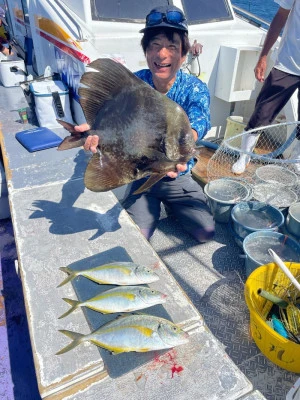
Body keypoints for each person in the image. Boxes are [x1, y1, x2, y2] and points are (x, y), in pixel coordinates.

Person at [76, 5, 215, 243]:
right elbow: (115, 124)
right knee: (138, 239)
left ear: (183, 54)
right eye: (155, 45)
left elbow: (200, 119)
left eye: (172, 46)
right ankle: (148, 203)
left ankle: (174, 205)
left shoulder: (195, 88)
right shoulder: (135, 83)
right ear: (146, 51)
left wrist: (184, 142)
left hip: (177, 177)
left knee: (206, 233)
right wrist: (96, 138)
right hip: (138, 173)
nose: (162, 54)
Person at [232, 0, 300, 175]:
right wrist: (264, 56)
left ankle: (297, 159)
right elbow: (280, 16)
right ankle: (244, 155)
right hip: (288, 63)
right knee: (263, 111)